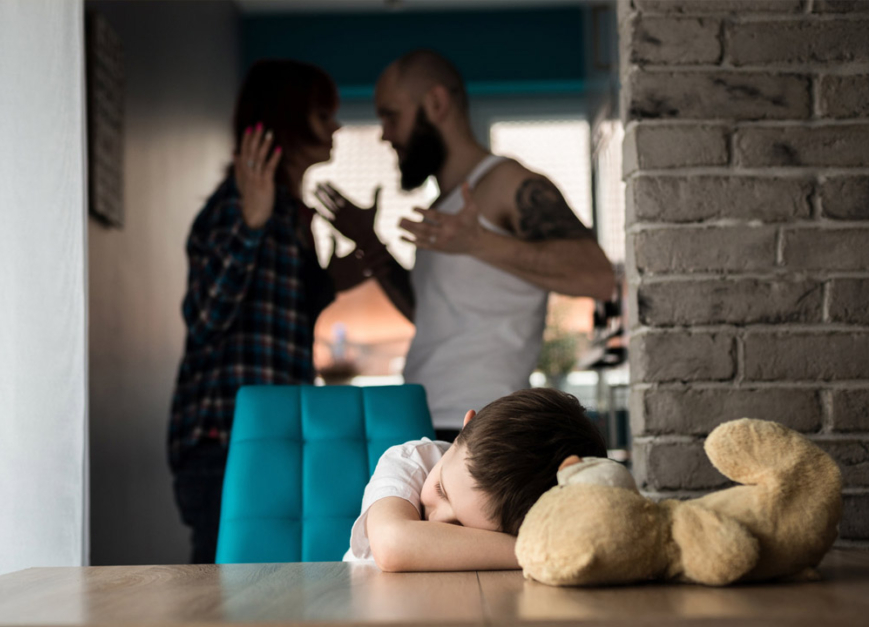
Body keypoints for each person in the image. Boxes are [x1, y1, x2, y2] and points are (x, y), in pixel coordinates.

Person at [315, 50, 615, 441]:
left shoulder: (508, 184)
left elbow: (598, 276)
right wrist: (371, 244)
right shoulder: (447, 208)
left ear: (436, 103)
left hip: (485, 426)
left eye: (391, 115)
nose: (384, 134)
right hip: (424, 418)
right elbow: (430, 314)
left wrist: (479, 242)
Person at [169, 59, 368, 564]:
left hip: (271, 432)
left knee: (273, 589)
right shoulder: (237, 206)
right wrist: (250, 225)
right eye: (324, 115)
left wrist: (345, 268)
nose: (337, 127)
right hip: (227, 439)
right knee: (226, 596)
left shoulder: (292, 214)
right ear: (289, 120)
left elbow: (283, 316)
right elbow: (205, 317)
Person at [342, 387, 632, 571]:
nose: (438, 521)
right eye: (442, 489)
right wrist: (547, 550)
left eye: (461, 527)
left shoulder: (529, 513)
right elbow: (393, 544)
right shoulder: (411, 460)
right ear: (465, 428)